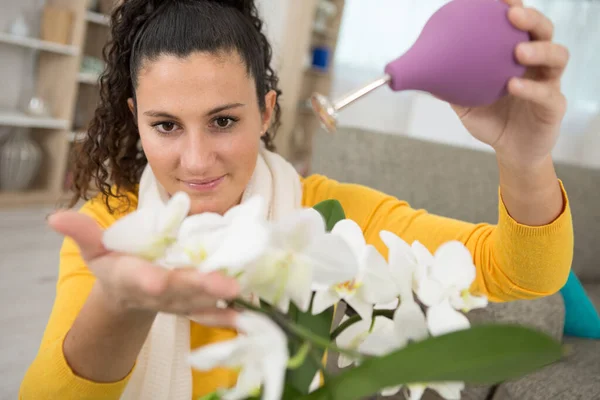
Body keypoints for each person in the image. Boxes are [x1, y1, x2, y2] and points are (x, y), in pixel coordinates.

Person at [20, 0, 574, 398]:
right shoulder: (108, 229)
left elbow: (523, 274)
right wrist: (122, 305)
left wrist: (524, 157)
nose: (195, 160)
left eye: (223, 121)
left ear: (265, 112)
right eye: (166, 125)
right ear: (135, 120)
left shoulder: (330, 214)